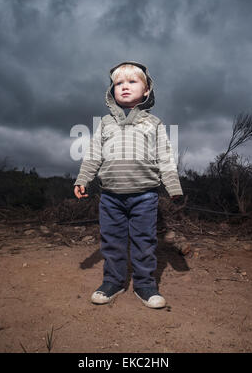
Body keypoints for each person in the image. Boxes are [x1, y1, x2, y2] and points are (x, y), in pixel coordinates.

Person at [74, 61, 183, 309]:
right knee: (111, 242)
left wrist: (173, 186)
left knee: (144, 241)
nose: (124, 87)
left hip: (145, 196)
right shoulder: (105, 123)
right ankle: (113, 282)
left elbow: (165, 156)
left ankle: (145, 285)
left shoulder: (153, 123)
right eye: (118, 83)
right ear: (111, 90)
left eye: (132, 82)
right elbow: (93, 154)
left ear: (146, 91)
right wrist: (83, 179)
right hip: (111, 196)